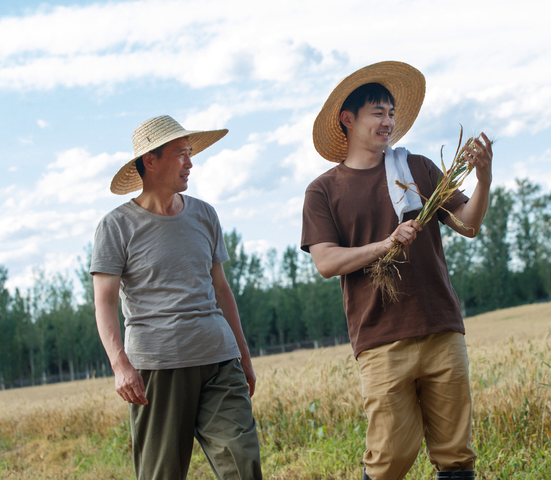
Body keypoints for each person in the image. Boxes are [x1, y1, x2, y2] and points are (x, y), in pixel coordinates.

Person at [301, 61, 493, 480]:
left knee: (456, 455)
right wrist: (385, 245)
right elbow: (326, 262)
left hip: (441, 326)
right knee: (389, 458)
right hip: (380, 339)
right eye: (378, 113)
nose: (388, 121)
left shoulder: (418, 168)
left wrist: (483, 178)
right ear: (348, 120)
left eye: (391, 113)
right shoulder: (324, 190)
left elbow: (469, 225)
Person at [90, 115, 263, 480]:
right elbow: (104, 301)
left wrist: (243, 356)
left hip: (219, 359)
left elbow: (221, 289)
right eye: (181, 154)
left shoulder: (204, 214)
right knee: (162, 474)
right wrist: (121, 366)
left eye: (190, 153)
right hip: (157, 369)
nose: (190, 163)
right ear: (150, 160)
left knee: (243, 465)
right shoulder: (116, 226)